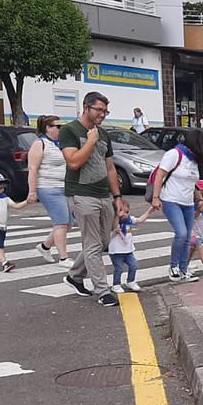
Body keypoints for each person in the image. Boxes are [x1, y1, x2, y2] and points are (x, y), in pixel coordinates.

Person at [61, 91, 127, 307]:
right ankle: (103, 290)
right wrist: (90, 141)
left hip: (103, 194)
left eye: (105, 111)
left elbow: (109, 167)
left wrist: (117, 196)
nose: (103, 114)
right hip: (81, 193)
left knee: (104, 241)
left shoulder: (103, 134)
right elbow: (73, 162)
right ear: (86, 107)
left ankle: (74, 275)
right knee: (92, 243)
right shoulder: (70, 131)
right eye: (99, 110)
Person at [151, 128, 203, 283]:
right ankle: (174, 267)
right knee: (182, 233)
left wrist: (198, 200)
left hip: (188, 203)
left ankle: (184, 270)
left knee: (187, 239)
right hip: (171, 200)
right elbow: (160, 175)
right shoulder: (174, 154)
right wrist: (156, 198)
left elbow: (192, 183)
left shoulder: (192, 160)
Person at [27, 115, 72, 267]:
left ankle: (45, 246)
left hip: (63, 186)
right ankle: (63, 258)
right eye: (57, 127)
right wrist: (32, 191)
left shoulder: (59, 144)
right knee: (61, 222)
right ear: (48, 128)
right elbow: (33, 168)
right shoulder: (40, 144)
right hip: (48, 187)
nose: (60, 130)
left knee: (68, 223)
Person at [107, 200, 154, 293]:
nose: (124, 214)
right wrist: (115, 232)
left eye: (127, 212)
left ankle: (131, 281)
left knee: (134, 265)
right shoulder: (112, 223)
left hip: (128, 250)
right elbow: (107, 237)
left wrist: (149, 211)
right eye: (121, 211)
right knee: (118, 268)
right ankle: (116, 284)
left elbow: (140, 220)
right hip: (116, 251)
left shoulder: (129, 220)